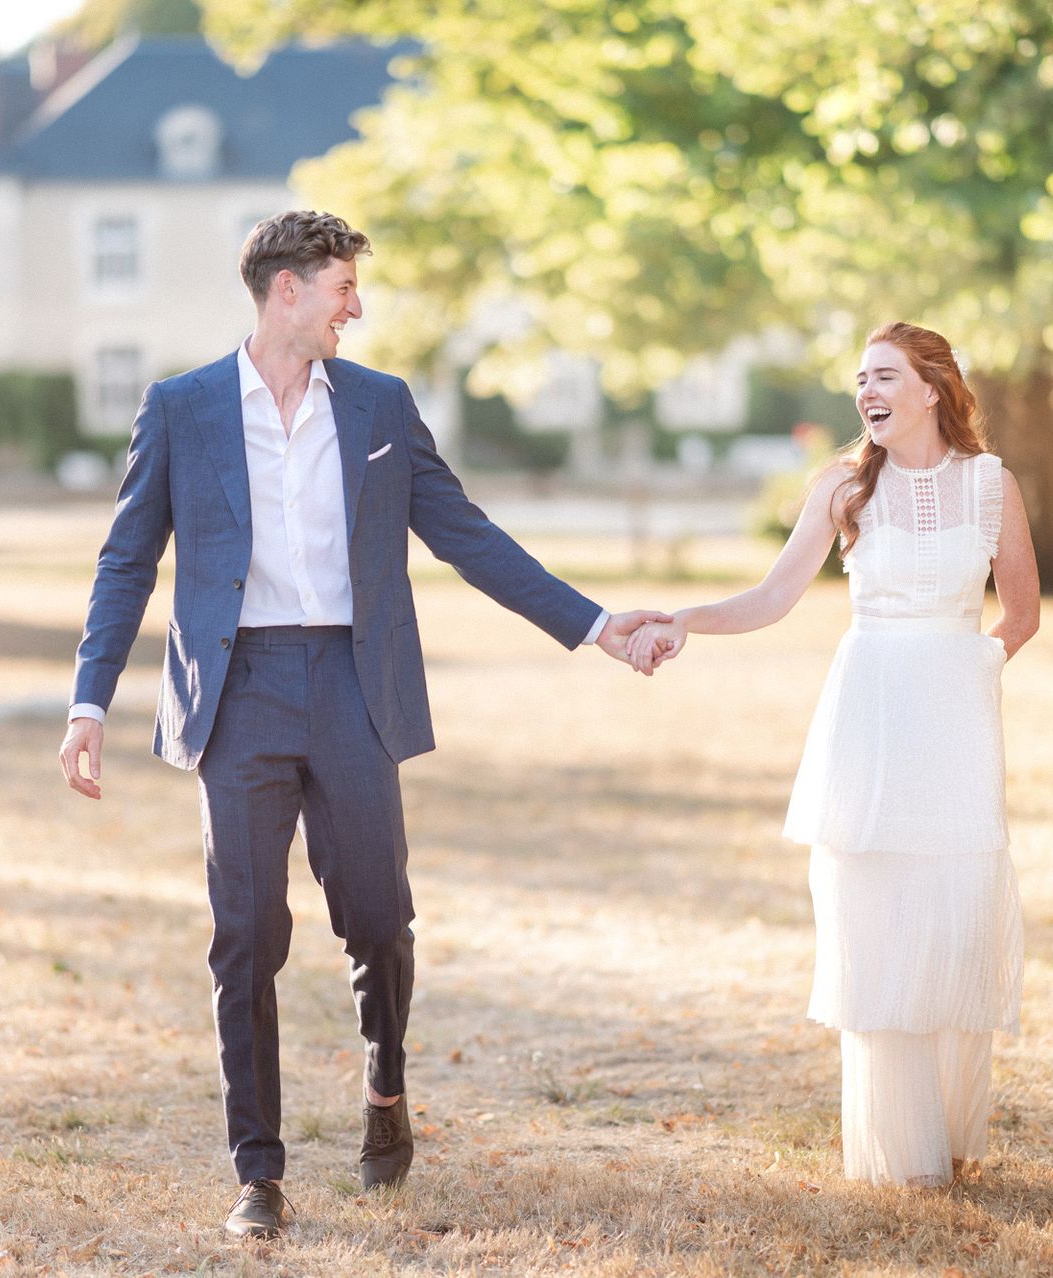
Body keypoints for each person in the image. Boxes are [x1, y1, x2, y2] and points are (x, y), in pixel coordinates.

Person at [57, 211, 669, 1239]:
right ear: (286, 291)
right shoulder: (182, 409)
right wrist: (88, 699)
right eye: (344, 287)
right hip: (238, 691)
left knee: (379, 922)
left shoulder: (380, 406)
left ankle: (385, 1086)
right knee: (246, 936)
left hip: (353, 683)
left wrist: (598, 626)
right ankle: (258, 1172)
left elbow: (469, 535)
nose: (358, 306)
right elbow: (127, 561)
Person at [630, 321, 1038, 1187]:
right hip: (871, 720)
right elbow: (775, 595)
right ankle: (901, 1156)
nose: (866, 393)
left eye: (884, 375)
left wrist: (972, 673)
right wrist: (686, 619)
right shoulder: (843, 486)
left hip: (957, 723)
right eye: (860, 379)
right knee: (880, 917)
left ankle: (958, 1132)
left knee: (957, 911)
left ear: (931, 387)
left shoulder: (991, 486)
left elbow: (1025, 614)